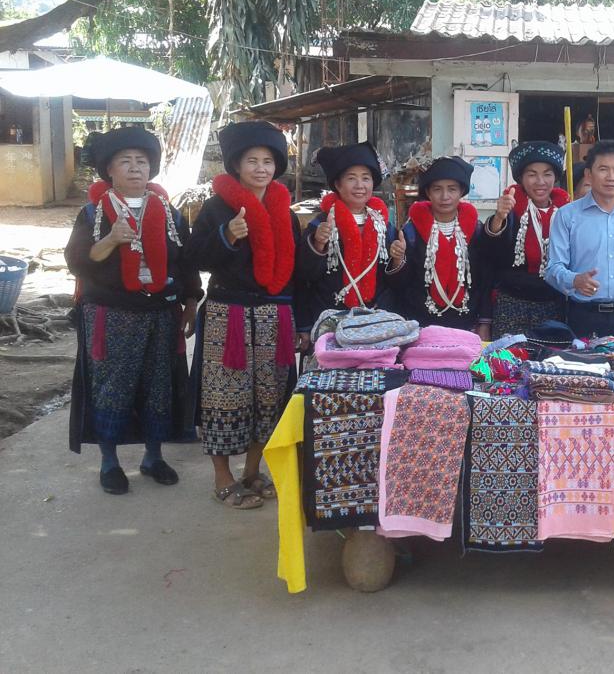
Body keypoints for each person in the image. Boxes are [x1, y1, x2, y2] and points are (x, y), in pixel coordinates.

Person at [65, 127, 201, 494]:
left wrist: (190, 301)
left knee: (159, 385)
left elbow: (186, 262)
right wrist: (110, 239)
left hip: (161, 313)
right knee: (113, 386)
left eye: (142, 161)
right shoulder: (93, 213)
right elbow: (77, 260)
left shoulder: (169, 212)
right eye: (125, 161)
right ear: (110, 170)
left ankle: (153, 457)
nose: (135, 168)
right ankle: (109, 463)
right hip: (111, 314)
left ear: (151, 168)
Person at [186, 121, 302, 510]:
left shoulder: (285, 210)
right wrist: (228, 236)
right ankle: (223, 476)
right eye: (251, 160)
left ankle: (253, 470)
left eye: (268, 160)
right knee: (223, 397)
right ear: (237, 165)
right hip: (228, 315)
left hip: (274, 317)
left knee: (269, 398)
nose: (260, 168)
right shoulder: (217, 206)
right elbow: (196, 258)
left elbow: (297, 271)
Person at [546, 139, 614, 338]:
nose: (611, 177)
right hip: (584, 316)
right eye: (603, 169)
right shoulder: (567, 215)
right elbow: (553, 269)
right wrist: (575, 280)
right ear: (589, 174)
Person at [295, 142, 403, 341]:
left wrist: (398, 259)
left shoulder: (384, 226)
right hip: (330, 321)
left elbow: (395, 283)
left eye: (366, 178)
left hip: (375, 322)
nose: (360, 185)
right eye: (351, 178)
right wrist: (318, 244)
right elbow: (304, 275)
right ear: (338, 184)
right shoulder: (321, 223)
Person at [389, 155, 491, 336]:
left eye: (452, 189)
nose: (445, 196)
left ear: (462, 191)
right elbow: (401, 286)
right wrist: (398, 260)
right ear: (428, 193)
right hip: (422, 326)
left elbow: (484, 279)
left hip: (466, 325)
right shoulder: (411, 232)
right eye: (437, 189)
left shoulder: (475, 229)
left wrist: (484, 322)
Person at [481, 141, 571, 337]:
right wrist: (499, 218)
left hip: (553, 305)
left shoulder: (566, 212)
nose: (540, 181)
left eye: (547, 174)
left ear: (556, 177)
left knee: (548, 363)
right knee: (509, 362)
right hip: (512, 306)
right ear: (521, 178)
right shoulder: (511, 209)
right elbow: (490, 254)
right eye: (532, 174)